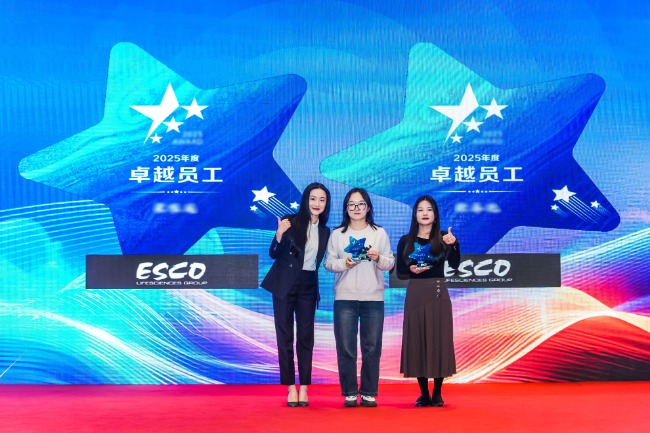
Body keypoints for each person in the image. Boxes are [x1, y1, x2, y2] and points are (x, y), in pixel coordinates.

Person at [261, 183, 331, 407]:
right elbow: (273, 254)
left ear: (326, 204)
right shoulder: (290, 221)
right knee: (285, 337)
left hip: (308, 285)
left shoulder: (325, 231)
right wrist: (279, 234)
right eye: (313, 198)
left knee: (305, 337)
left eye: (322, 200)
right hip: (284, 284)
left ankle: (305, 388)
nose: (317, 203)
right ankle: (291, 386)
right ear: (306, 200)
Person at [324, 188, 394, 407]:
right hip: (344, 298)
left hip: (373, 299)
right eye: (352, 204)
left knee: (372, 347)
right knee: (346, 347)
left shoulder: (379, 233)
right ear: (346, 208)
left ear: (368, 207)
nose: (356, 208)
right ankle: (350, 392)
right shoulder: (337, 234)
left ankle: (369, 392)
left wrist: (378, 258)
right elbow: (328, 263)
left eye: (361, 204)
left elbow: (390, 263)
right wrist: (344, 263)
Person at [396, 195, 460, 407]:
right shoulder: (406, 240)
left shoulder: (444, 237)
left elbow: (455, 264)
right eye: (420, 209)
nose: (425, 213)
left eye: (429, 209)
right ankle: (424, 393)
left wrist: (454, 244)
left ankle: (438, 393)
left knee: (439, 340)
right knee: (418, 341)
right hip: (415, 292)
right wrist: (411, 268)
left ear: (435, 214)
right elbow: (401, 270)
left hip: (438, 293)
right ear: (415, 214)